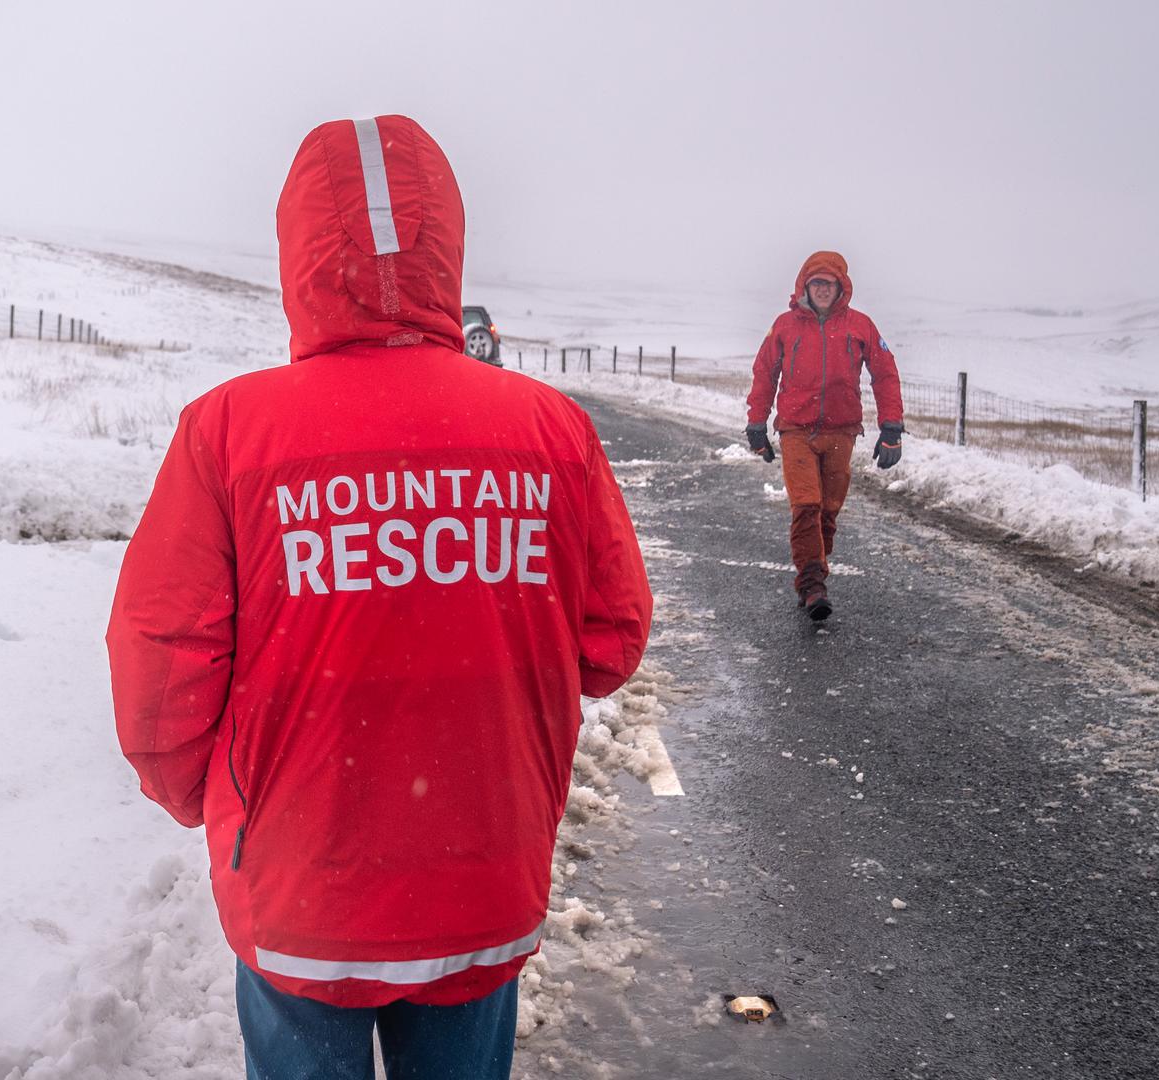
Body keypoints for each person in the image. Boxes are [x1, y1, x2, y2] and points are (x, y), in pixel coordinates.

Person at [105, 115, 653, 1080]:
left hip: (302, 888)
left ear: (299, 252)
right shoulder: (547, 430)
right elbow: (610, 641)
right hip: (482, 882)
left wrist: (211, 799)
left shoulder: (230, 431)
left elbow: (163, 653)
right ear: (447, 242)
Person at [744, 251, 904, 620]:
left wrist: (891, 426)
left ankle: (813, 567)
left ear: (840, 287)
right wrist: (757, 424)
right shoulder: (784, 325)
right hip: (796, 429)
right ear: (805, 285)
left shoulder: (861, 325)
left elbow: (885, 374)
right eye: (815, 282)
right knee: (806, 504)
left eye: (828, 283)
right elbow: (765, 373)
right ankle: (813, 584)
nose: (821, 289)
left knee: (828, 512)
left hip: (841, 431)